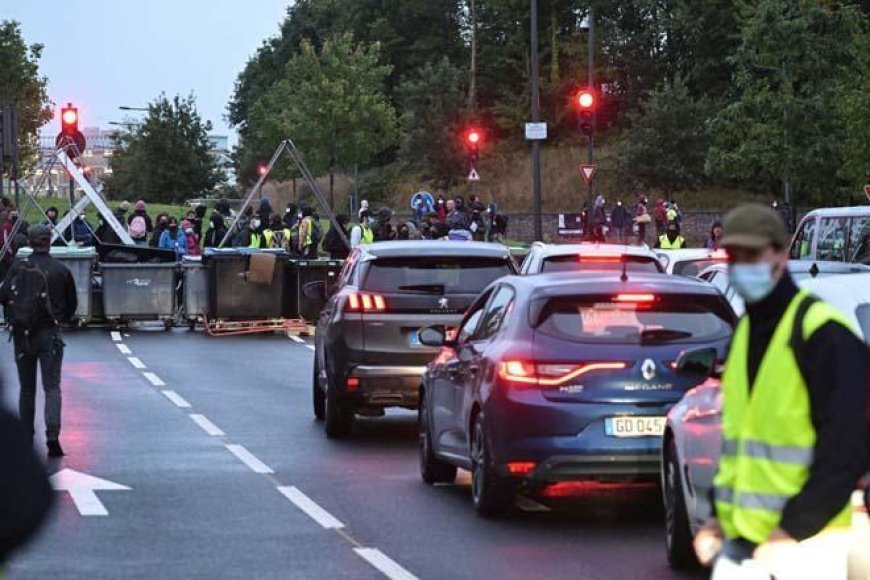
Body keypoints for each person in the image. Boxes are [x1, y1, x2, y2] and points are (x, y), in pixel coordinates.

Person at [693, 204, 867, 576]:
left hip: (807, 545)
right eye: (734, 256)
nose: (742, 266)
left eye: (753, 255)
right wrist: (716, 522)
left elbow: (848, 449)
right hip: (745, 543)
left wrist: (790, 531)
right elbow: (738, 445)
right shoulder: (744, 334)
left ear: (782, 253)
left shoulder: (822, 333)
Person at [0, 225, 77, 457]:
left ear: (29, 242)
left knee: (27, 388)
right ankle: (52, 435)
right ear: (49, 241)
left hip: (22, 335)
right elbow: (71, 306)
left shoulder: (17, 267)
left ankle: (25, 436)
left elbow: (3, 296)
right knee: (52, 386)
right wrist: (59, 318)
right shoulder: (60, 270)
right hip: (49, 334)